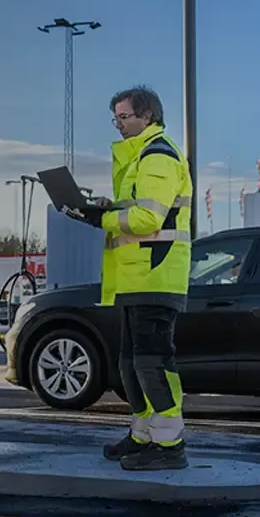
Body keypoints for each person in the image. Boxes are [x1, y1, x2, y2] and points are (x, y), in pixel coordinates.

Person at [60, 85, 194, 471]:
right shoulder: (140, 159)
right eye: (115, 117)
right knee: (131, 364)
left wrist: (98, 217)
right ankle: (143, 436)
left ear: (147, 115)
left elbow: (148, 219)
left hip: (157, 276)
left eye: (125, 117)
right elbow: (138, 210)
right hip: (138, 279)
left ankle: (170, 447)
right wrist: (106, 206)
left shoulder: (158, 156)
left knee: (152, 364)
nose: (118, 124)